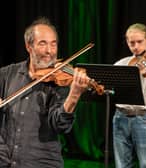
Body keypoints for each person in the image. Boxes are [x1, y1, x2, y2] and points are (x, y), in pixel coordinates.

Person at [0, 17, 90, 168]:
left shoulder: (60, 82)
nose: (50, 51)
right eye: (43, 43)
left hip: (42, 162)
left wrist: (74, 95)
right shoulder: (8, 74)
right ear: (29, 46)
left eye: (53, 44)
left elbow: (60, 125)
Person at [112, 23, 146, 168]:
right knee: (121, 164)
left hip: (144, 119)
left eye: (139, 42)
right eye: (132, 43)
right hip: (120, 117)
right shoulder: (120, 64)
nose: (135, 47)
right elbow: (114, 93)